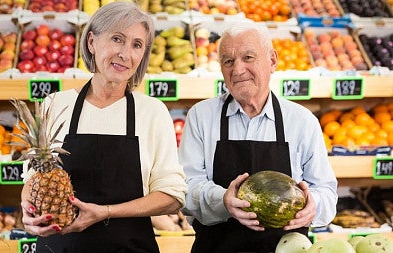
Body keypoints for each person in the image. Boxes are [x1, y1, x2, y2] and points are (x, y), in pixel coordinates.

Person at [19, 2, 187, 252]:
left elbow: (172, 197)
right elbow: (32, 178)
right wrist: (28, 211)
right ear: (91, 42)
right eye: (117, 39)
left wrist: (106, 212)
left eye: (137, 45)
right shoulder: (55, 105)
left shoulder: (152, 112)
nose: (125, 53)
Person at [178, 21, 338, 252]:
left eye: (248, 58)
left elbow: (327, 193)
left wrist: (313, 205)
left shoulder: (302, 121)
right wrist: (223, 200)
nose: (237, 69)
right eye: (228, 61)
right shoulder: (201, 116)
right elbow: (186, 188)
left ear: (272, 61)